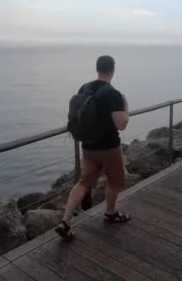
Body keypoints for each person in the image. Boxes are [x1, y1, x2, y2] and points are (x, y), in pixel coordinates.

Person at [55, 55, 131, 240]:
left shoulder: (85, 88)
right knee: (114, 182)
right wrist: (126, 107)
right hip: (109, 148)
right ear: (112, 70)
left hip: (88, 146)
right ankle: (110, 213)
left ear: (97, 69)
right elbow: (121, 124)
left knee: (83, 182)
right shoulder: (113, 94)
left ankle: (65, 221)